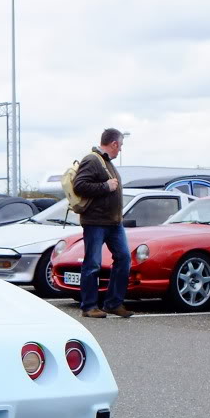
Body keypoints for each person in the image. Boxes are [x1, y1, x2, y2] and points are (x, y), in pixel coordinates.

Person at [73, 128, 134, 318]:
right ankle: (89, 306)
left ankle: (113, 303)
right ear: (114, 144)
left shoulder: (107, 162)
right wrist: (105, 186)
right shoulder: (92, 160)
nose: (121, 150)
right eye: (120, 145)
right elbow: (79, 185)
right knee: (92, 263)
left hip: (114, 223)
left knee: (124, 258)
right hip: (96, 222)